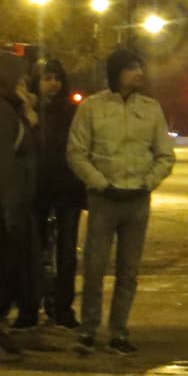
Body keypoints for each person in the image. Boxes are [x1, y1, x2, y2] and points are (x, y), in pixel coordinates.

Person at [67, 47, 176, 356]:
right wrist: (101, 184)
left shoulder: (151, 109)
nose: (139, 73)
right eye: (132, 68)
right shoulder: (92, 108)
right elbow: (76, 152)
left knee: (129, 270)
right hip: (104, 198)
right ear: (116, 73)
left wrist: (146, 183)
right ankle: (89, 329)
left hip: (137, 200)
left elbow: (165, 155)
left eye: (140, 67)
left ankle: (118, 331)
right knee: (94, 266)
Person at [30, 58, 87, 330]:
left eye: (57, 78)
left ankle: (63, 307)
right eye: (46, 78)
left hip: (67, 189)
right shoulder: (28, 112)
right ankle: (33, 304)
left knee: (67, 251)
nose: (53, 84)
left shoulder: (73, 112)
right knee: (35, 250)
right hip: (37, 191)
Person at [0, 50, 34, 358]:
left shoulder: (13, 108)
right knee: (7, 268)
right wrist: (11, 210)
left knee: (12, 268)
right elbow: (6, 163)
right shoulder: (3, 112)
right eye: (19, 75)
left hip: (15, 202)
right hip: (6, 206)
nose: (24, 81)